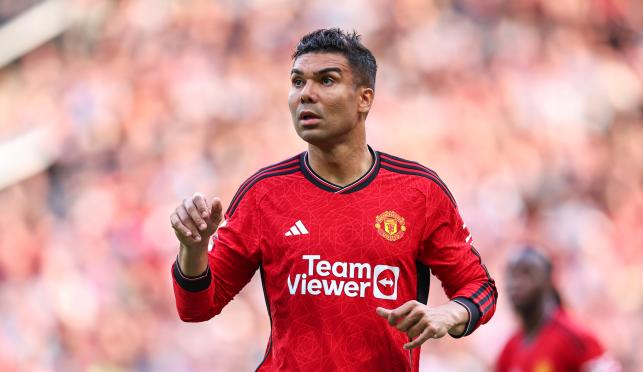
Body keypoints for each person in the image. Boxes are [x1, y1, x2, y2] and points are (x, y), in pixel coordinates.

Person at [169, 28, 497, 371]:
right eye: (297, 82)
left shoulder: (419, 191)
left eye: (326, 80)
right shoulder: (264, 193)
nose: (305, 95)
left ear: (364, 99)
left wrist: (450, 313)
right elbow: (196, 308)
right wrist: (193, 248)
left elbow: (480, 289)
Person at [496, 247, 620, 372]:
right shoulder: (509, 350)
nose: (515, 283)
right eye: (511, 274)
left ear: (548, 280)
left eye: (526, 273)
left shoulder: (576, 338)